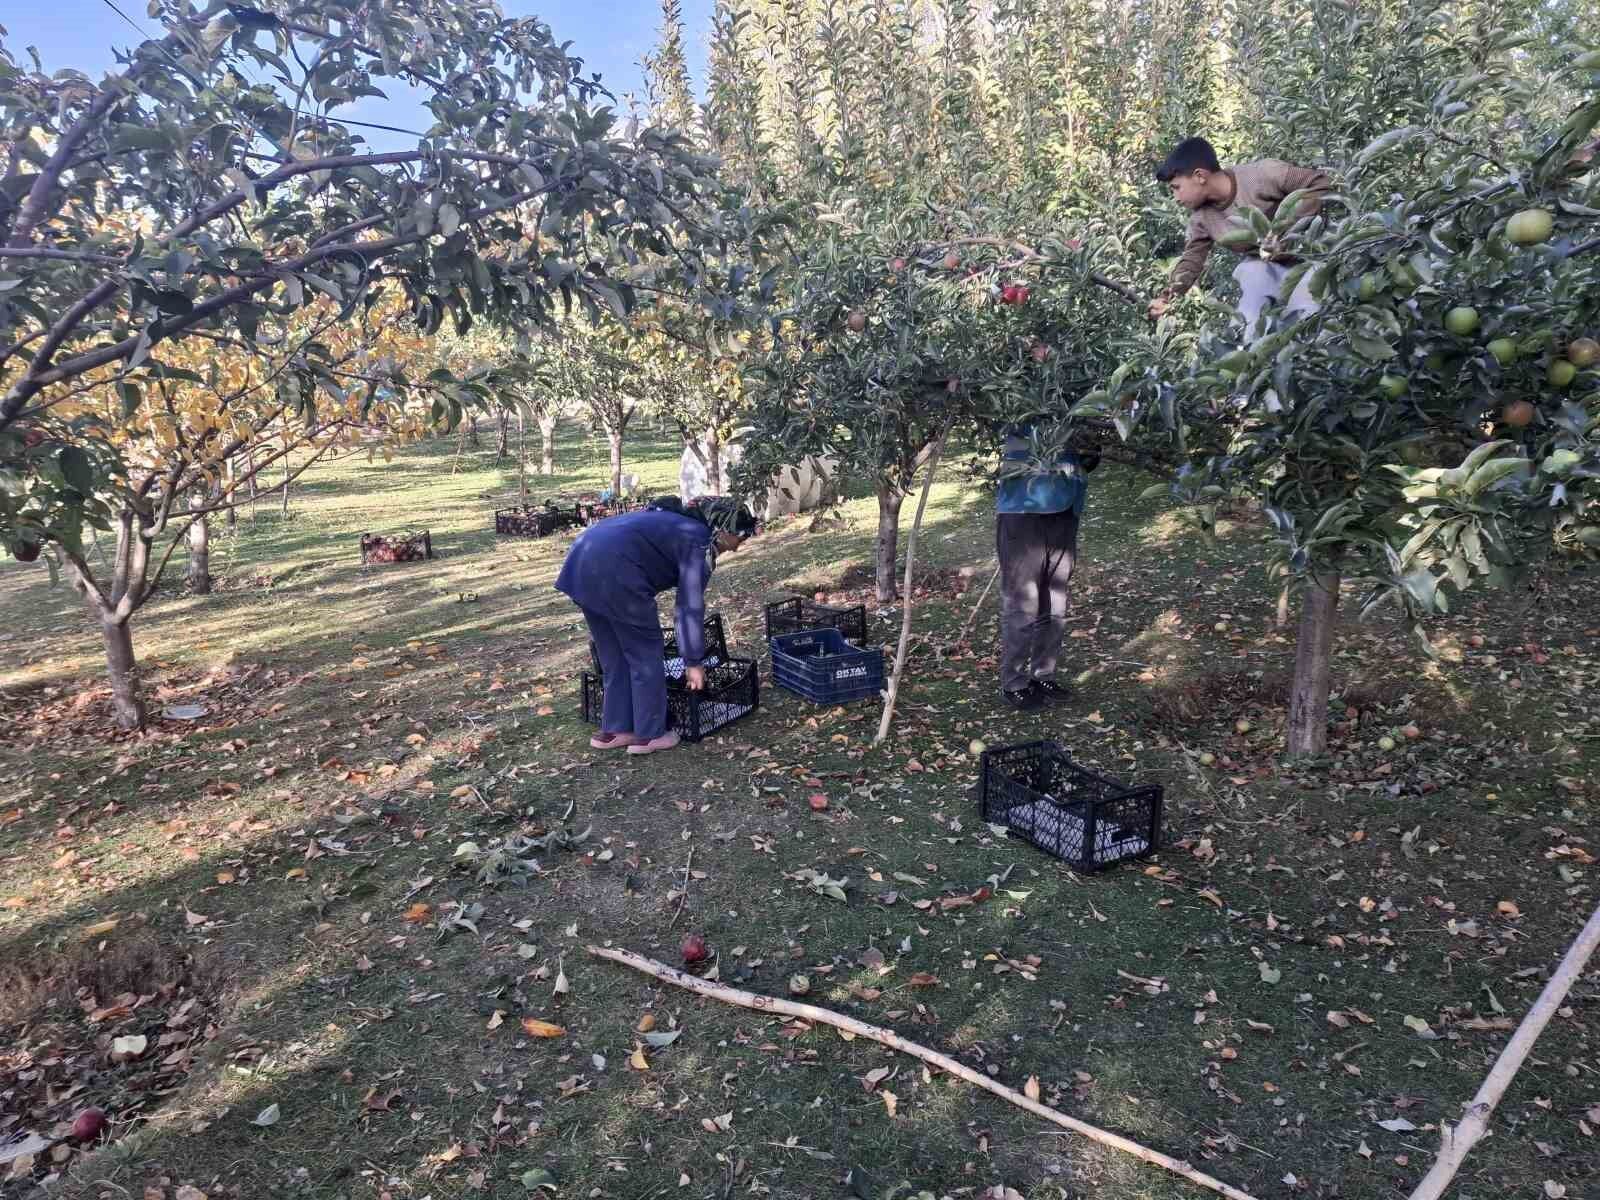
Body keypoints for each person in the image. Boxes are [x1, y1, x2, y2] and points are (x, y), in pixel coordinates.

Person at [556, 496, 756, 754]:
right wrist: (693, 662)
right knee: (645, 652)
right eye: (740, 538)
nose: (738, 547)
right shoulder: (698, 540)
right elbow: (688, 606)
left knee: (614, 655)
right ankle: (650, 734)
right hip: (617, 572)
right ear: (724, 529)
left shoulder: (673, 521)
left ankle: (616, 729)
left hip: (581, 562)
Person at [1147, 137, 1333, 330]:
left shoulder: (1262, 175)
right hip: (1266, 271)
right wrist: (1167, 297)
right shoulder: (1201, 218)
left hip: (1311, 256)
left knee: (1309, 322)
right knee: (1249, 292)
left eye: (1176, 188)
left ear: (1200, 176)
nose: (1175, 198)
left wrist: (1285, 234)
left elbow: (1319, 183)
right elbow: (1191, 260)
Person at [996, 427, 1099, 711]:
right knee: (1023, 604)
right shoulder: (1024, 397)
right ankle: (1014, 683)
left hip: (1066, 510)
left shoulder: (1077, 405)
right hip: (1024, 510)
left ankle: (1044, 675)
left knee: (1055, 603)